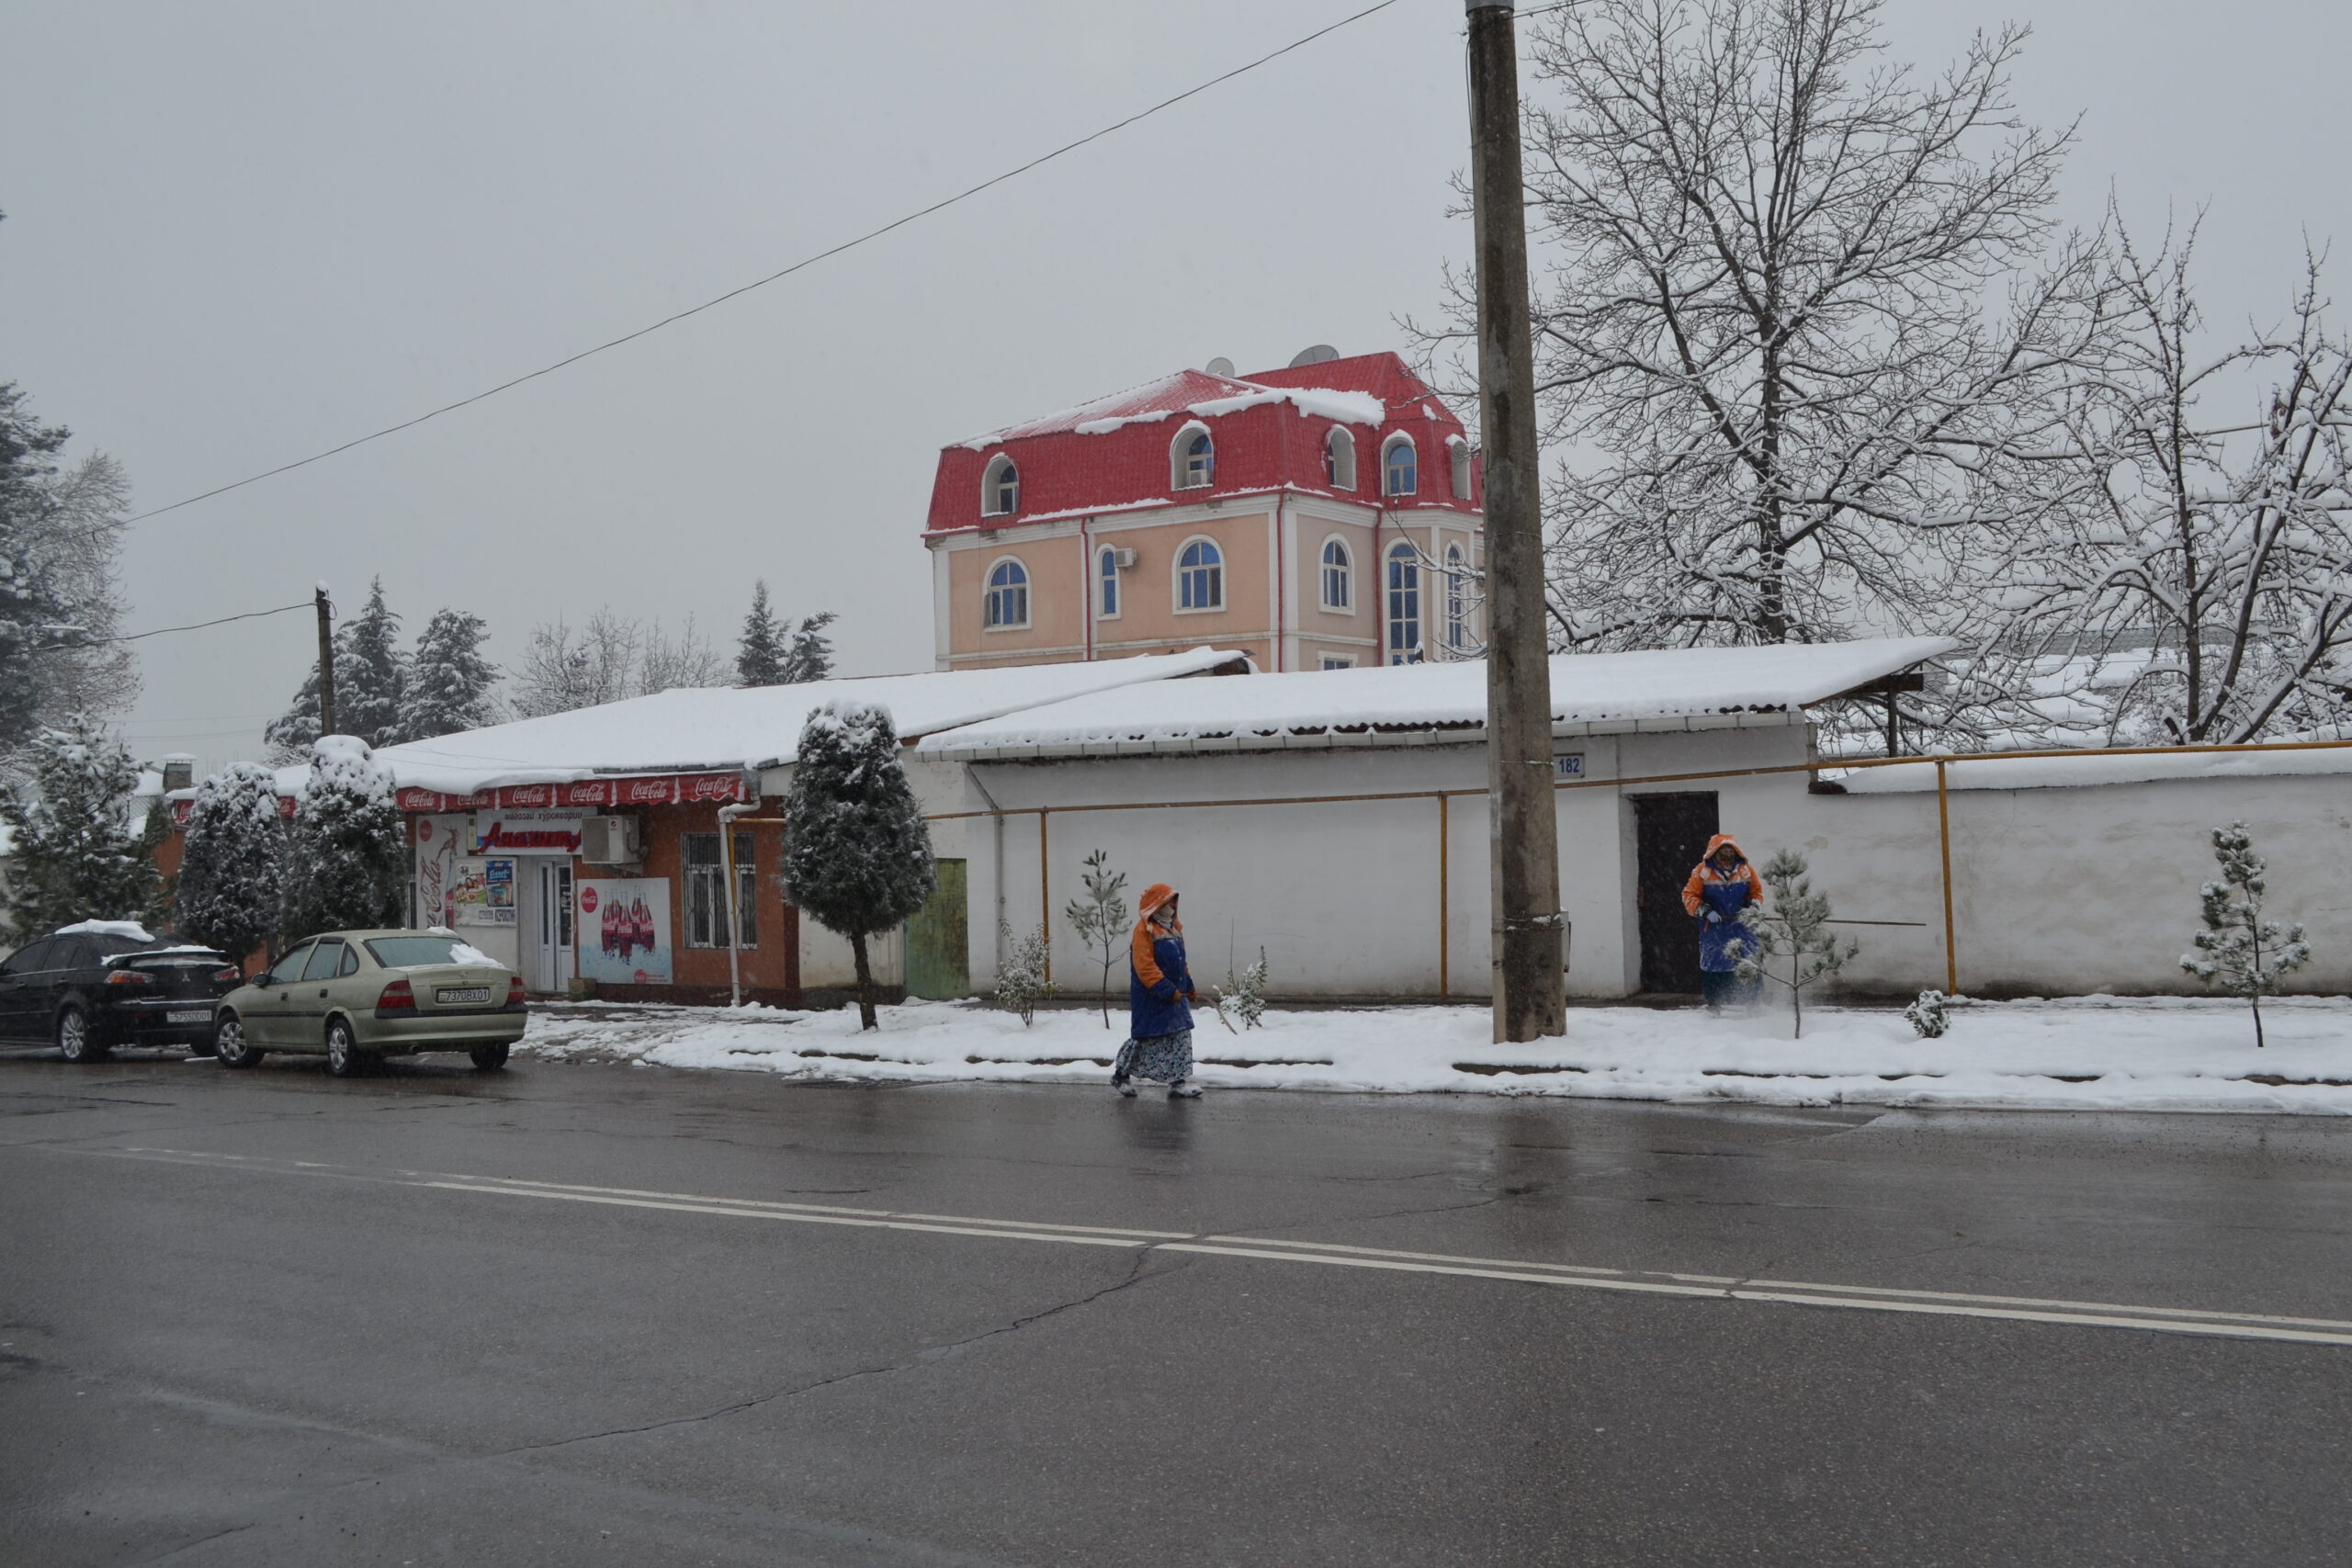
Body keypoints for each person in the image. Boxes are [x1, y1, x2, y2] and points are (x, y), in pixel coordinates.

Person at [1112, 884, 1203, 1100]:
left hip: (1175, 996)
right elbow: (1145, 966)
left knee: (1179, 1035)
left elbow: (1181, 963)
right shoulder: (1144, 930)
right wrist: (1166, 990)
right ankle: (1121, 1075)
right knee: (1145, 1038)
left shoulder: (1174, 928)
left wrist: (1188, 986)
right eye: (1169, 901)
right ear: (1157, 904)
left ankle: (1177, 1083)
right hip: (1151, 997)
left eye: (1174, 901)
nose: (1173, 905)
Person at [1682, 833, 1765, 1013]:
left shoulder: (1746, 870)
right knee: (1715, 964)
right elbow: (1689, 896)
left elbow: (1756, 892)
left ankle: (1753, 1003)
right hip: (1714, 929)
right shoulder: (1701, 872)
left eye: (1731, 851)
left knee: (1749, 962)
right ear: (1714, 853)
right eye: (1723, 851)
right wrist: (1704, 910)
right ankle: (1714, 1004)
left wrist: (1754, 905)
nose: (1728, 855)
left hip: (1742, 927)